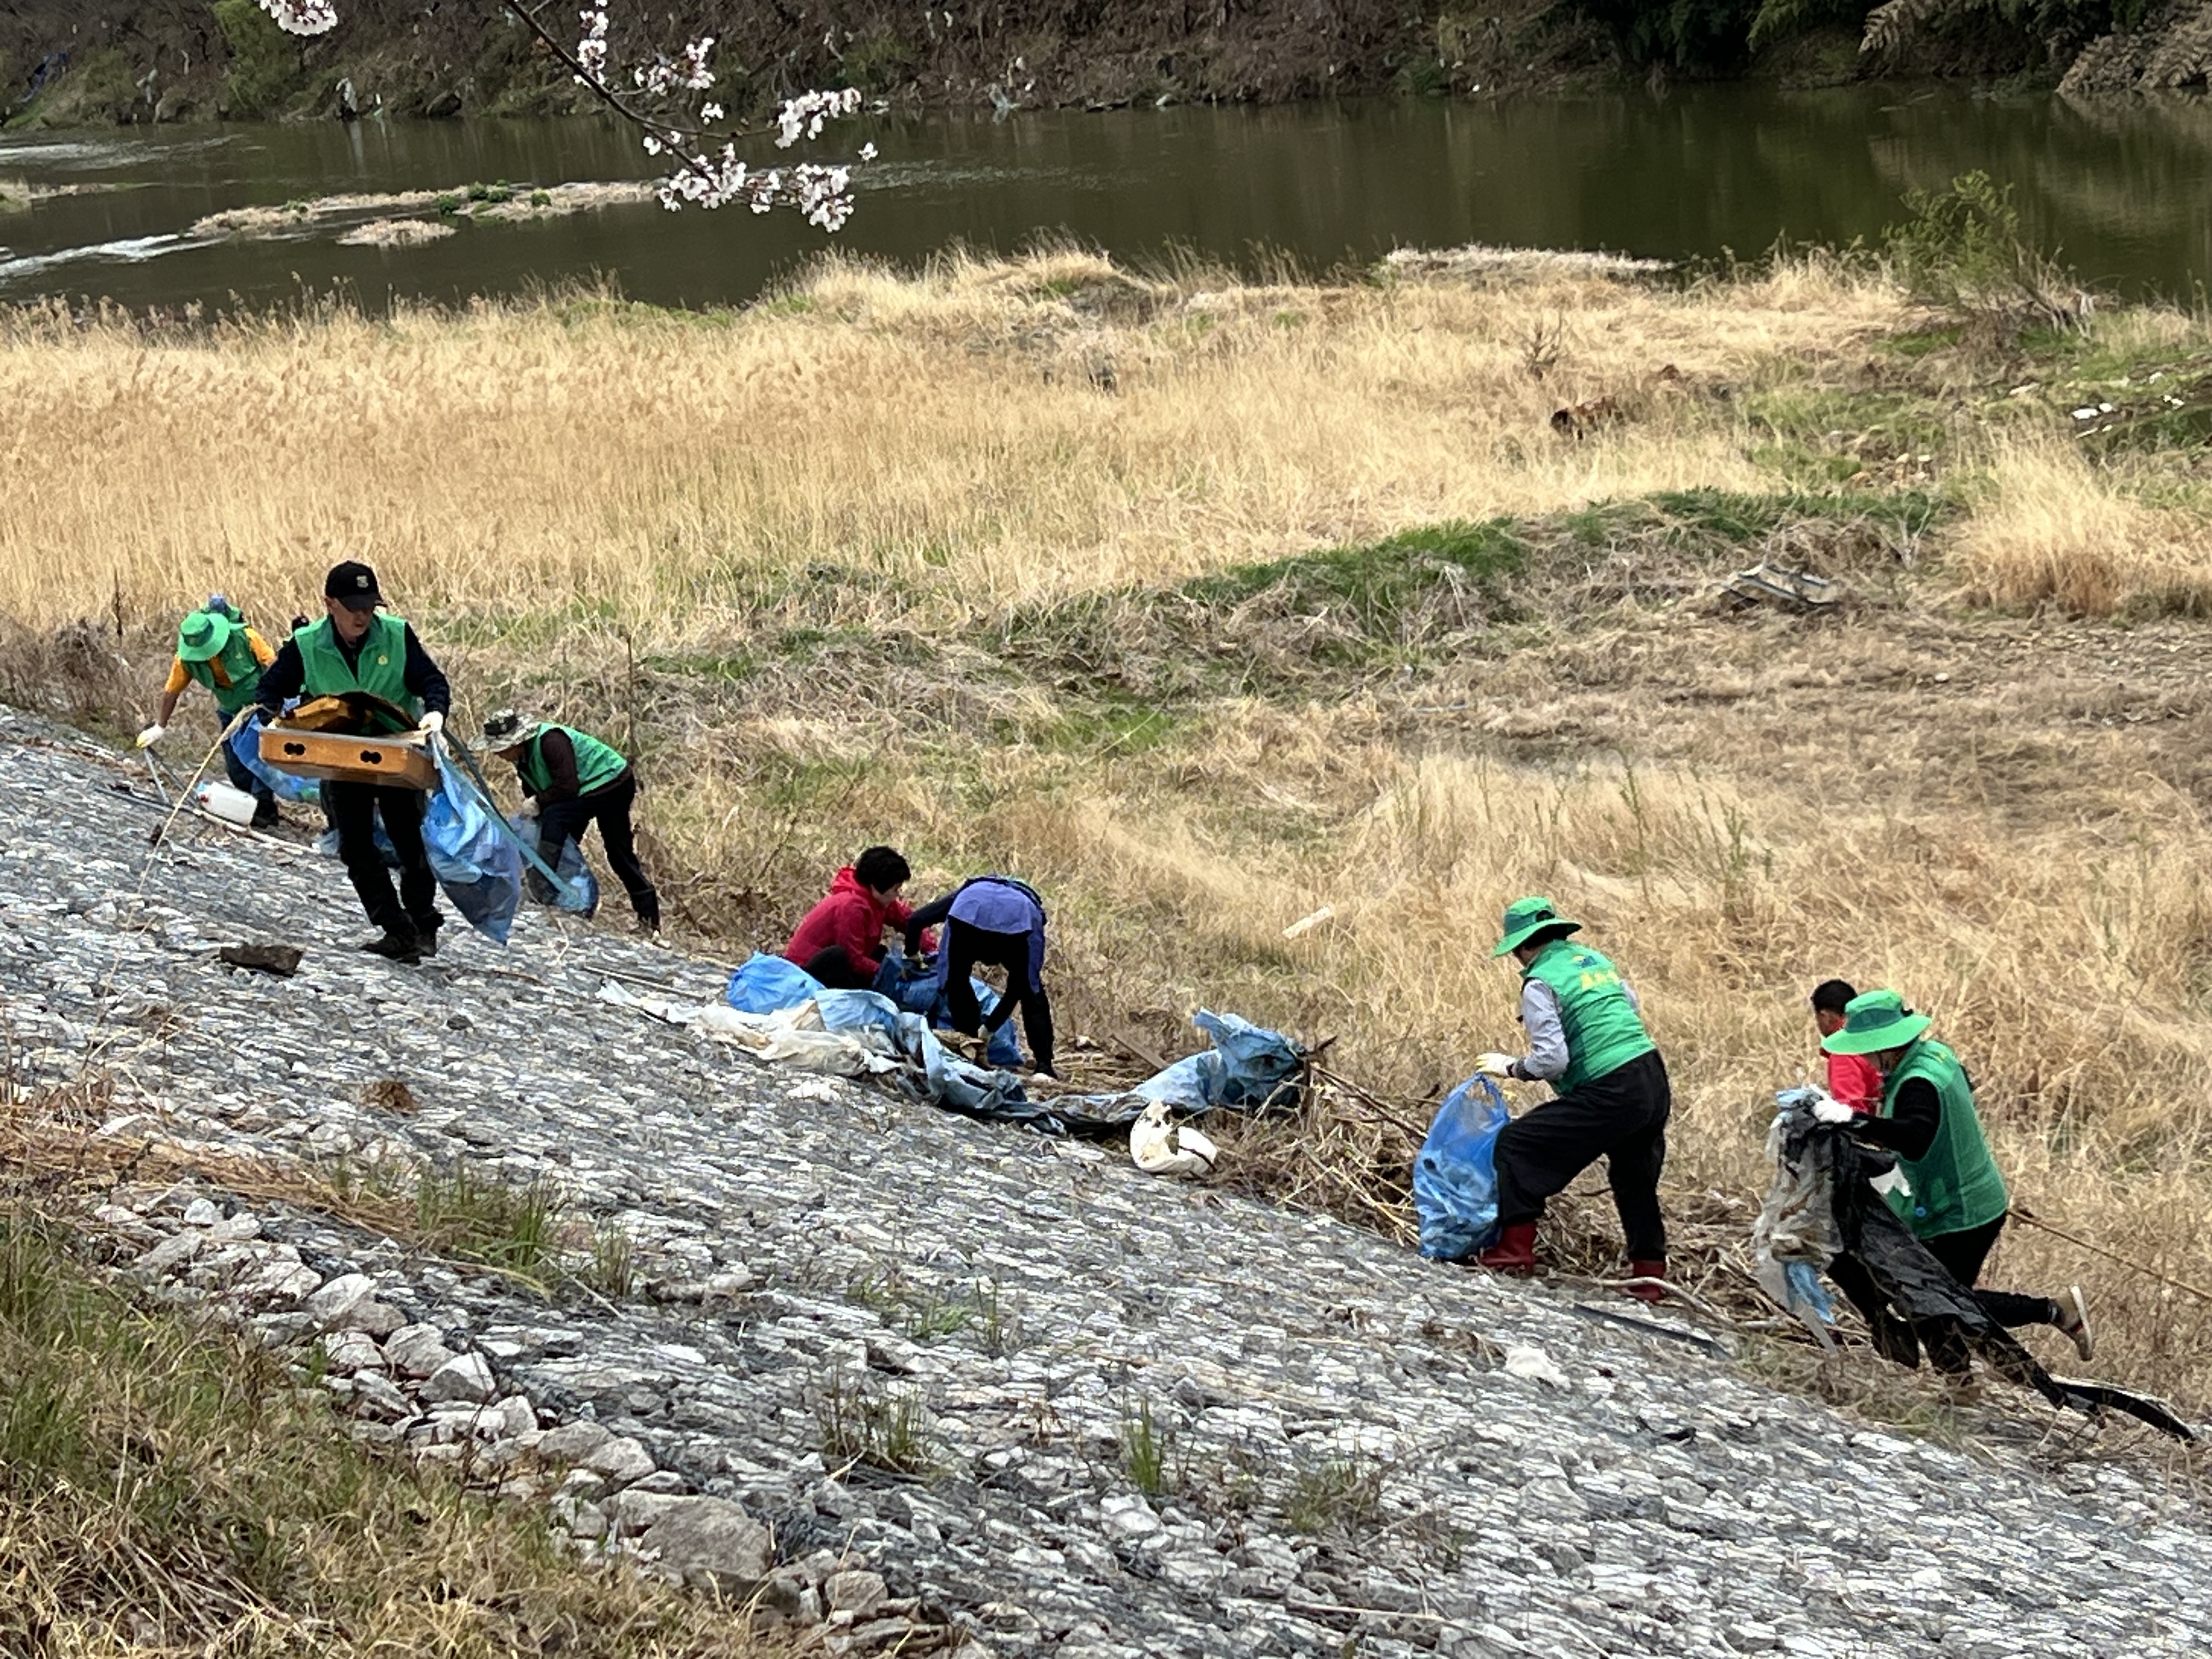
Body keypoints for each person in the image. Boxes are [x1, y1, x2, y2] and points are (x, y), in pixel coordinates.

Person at [1816, 989, 2093, 1370]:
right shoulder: (1935, 1055)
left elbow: (1915, 1138)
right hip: (1969, 1196)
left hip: (1961, 1211)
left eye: (1865, 1049)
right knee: (1933, 1297)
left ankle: (2053, 1313)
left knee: (1938, 1300)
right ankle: (1961, 1381)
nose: (1862, 1057)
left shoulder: (1918, 1081)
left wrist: (1854, 1120)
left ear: (1885, 1045)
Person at [1470, 897, 1672, 1302]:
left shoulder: (1540, 981)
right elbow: (1628, 1007)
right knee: (1634, 1175)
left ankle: (1514, 1250)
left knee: (1518, 1144)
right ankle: (1650, 1276)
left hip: (1612, 1086)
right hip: (1651, 1075)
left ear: (1524, 946)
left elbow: (1553, 1060)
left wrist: (1513, 1068)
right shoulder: (1594, 961)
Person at [256, 560, 449, 963]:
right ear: (330, 604)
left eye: (369, 606)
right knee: (355, 846)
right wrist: (275, 716)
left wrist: (435, 713)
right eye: (353, 606)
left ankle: (424, 923)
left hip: (397, 752)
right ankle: (396, 929)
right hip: (340, 756)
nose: (363, 615)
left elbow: (431, 681)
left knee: (409, 841)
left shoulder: (396, 634)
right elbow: (270, 690)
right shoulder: (307, 644)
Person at [481, 709, 659, 930]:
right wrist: (536, 804)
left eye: (500, 749)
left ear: (515, 742)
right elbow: (538, 788)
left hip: (611, 784)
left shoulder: (551, 741)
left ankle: (649, 922)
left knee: (617, 852)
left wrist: (540, 801)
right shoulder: (523, 759)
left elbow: (567, 787)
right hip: (583, 791)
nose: (498, 755)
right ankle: (557, 893)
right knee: (555, 835)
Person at [137, 596, 283, 829]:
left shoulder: (245, 637)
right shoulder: (186, 659)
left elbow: (273, 664)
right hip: (230, 712)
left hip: (260, 709)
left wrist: (278, 703)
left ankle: (264, 809)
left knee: (260, 761)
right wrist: (160, 726)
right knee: (237, 768)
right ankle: (248, 806)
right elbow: (171, 692)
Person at [903, 874, 1057, 1079]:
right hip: (1016, 930)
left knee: (956, 981)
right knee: (1031, 992)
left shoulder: (966, 895)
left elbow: (916, 920)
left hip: (967, 921)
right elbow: (1018, 988)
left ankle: (968, 1048)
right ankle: (1045, 1067)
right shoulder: (1030, 910)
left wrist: (913, 955)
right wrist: (991, 1028)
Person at [783, 847, 924, 989]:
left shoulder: (877, 900)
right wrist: (893, 973)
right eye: (896, 889)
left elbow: (909, 921)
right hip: (804, 973)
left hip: (841, 964)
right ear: (877, 886)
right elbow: (853, 959)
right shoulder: (852, 907)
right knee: (837, 957)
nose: (898, 895)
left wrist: (931, 950)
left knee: (880, 953)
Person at [1812, 979, 1882, 1113]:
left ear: (1825, 1016)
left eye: (1818, 1019)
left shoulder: (1842, 1052)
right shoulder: (1871, 1035)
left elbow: (1849, 1111)